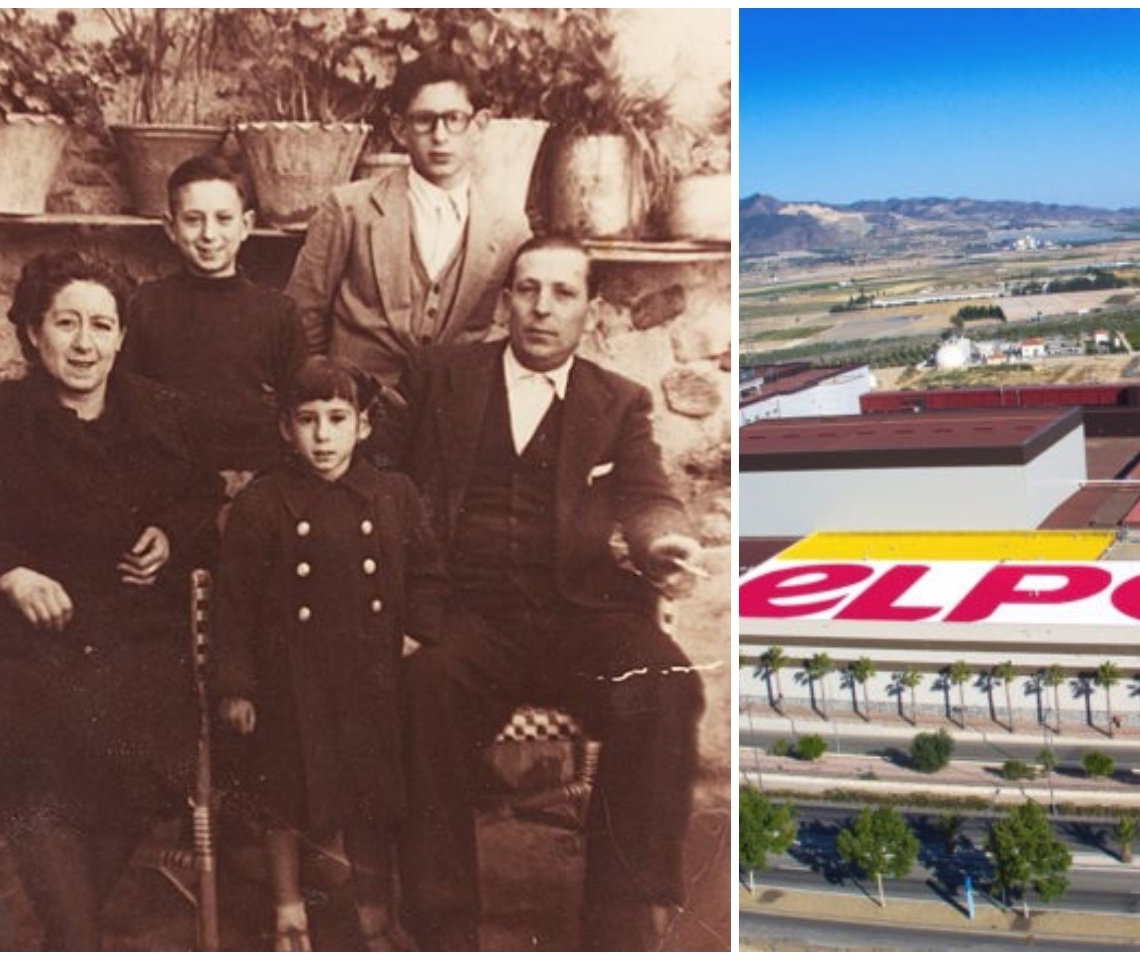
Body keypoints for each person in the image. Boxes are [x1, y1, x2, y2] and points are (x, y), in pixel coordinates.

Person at [386, 236, 706, 951]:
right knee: (419, 686)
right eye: (528, 290)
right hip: (468, 613)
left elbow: (647, 493)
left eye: (563, 293)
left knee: (664, 682)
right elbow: (383, 481)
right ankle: (443, 925)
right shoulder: (442, 377)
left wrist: (664, 543)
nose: (542, 308)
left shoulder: (616, 401)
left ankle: (620, 920)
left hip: (580, 612)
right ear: (505, 302)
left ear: (589, 310)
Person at [0, 250, 223, 949]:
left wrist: (167, 536)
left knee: (143, 734)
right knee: (34, 742)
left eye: (102, 324)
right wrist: (9, 573)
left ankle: (67, 940)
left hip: (132, 634)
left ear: (123, 336)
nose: (85, 343)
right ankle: (77, 941)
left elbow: (202, 499)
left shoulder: (161, 415)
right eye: (66, 322)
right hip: (17, 639)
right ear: (33, 331)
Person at [208, 357, 447, 951]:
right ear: (285, 429)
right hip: (289, 679)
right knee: (284, 793)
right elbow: (233, 602)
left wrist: (418, 629)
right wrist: (236, 684)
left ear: (363, 426)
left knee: (372, 794)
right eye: (308, 420)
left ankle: (372, 909)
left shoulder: (394, 494)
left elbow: (429, 574)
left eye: (338, 419)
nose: (323, 436)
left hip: (371, 673)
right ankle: (289, 909)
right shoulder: (263, 504)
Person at [285, 52, 530, 394]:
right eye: (424, 120)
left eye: (454, 119)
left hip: (454, 412)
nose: (440, 136)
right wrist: (327, 398)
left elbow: (515, 325)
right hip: (358, 413)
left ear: (479, 126)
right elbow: (301, 317)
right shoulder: (350, 209)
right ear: (400, 129)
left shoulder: (508, 226)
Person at [121, 154, 306, 495]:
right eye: (193, 219)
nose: (209, 234)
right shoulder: (145, 305)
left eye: (223, 219)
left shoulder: (278, 313)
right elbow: (129, 407)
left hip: (257, 488)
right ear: (170, 227)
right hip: (170, 487)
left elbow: (297, 412)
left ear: (246, 225)